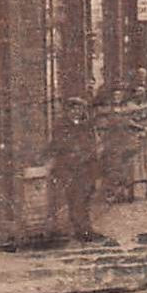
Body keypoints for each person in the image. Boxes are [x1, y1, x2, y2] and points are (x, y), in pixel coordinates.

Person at [51, 97, 102, 242]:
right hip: (70, 167)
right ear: (68, 110)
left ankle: (86, 228)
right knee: (75, 198)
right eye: (73, 109)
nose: (76, 112)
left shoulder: (86, 125)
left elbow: (93, 143)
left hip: (86, 166)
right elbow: (59, 145)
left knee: (86, 197)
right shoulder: (61, 126)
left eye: (79, 109)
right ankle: (80, 230)